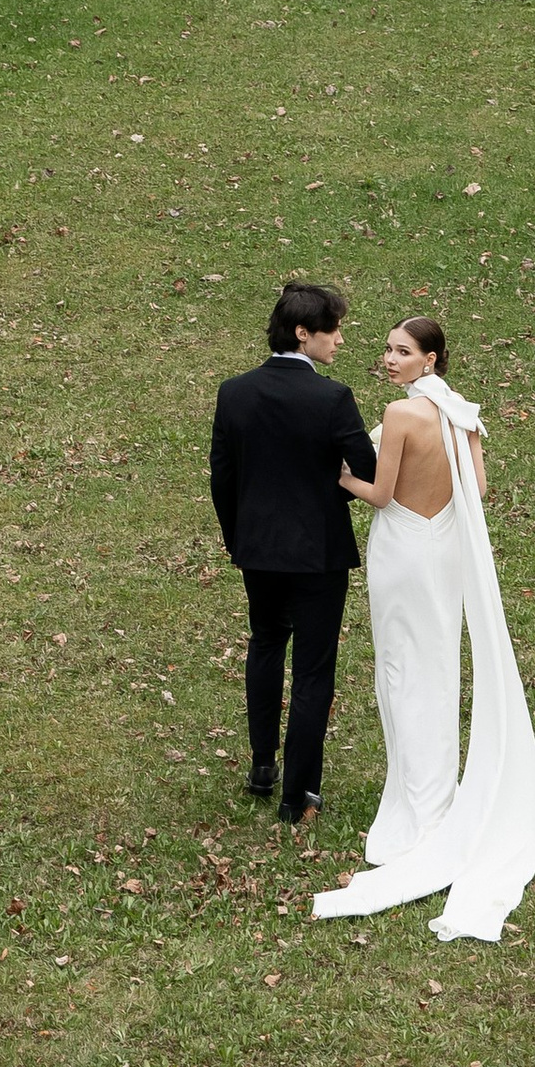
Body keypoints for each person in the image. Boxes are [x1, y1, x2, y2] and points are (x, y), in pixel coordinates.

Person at [315, 311, 535, 944]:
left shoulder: (401, 415)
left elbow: (382, 494)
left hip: (403, 550)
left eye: (403, 352)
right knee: (438, 666)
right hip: (444, 549)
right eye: (388, 350)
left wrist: (340, 476)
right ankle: (434, 795)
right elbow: (479, 489)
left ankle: (418, 808)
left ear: (430, 359)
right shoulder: (460, 413)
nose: (390, 360)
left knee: (400, 670)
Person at [208, 279, 377, 829]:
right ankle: (299, 792)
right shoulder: (332, 398)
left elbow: (222, 477)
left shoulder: (234, 392)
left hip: (257, 551)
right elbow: (367, 470)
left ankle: (263, 765)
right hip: (318, 555)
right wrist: (331, 485)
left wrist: (239, 540)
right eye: (334, 331)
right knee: (312, 670)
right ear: (304, 333)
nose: (340, 340)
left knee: (265, 645)